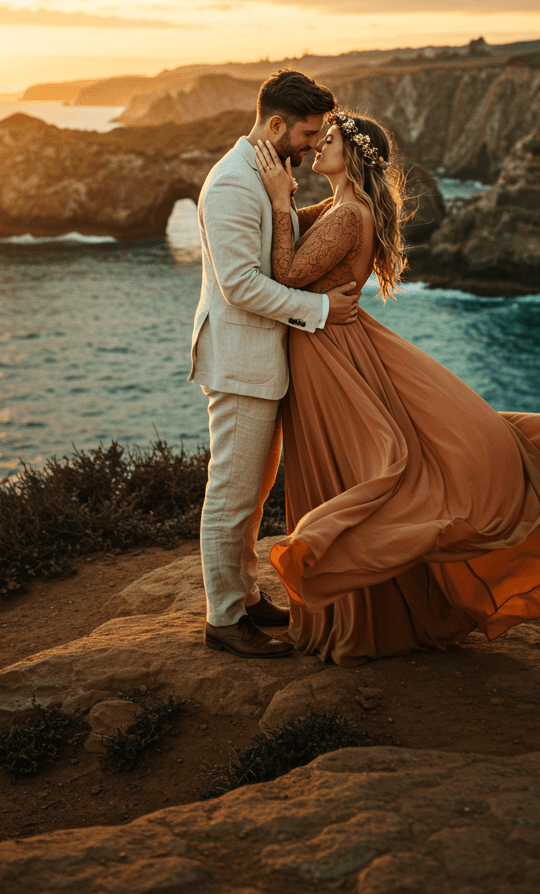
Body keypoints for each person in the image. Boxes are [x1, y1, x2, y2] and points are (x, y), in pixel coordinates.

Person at [254, 111, 540, 666]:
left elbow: (284, 274)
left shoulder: (347, 216)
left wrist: (280, 203)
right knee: (350, 466)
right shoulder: (342, 209)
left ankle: (353, 617)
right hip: (337, 349)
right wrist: (278, 199)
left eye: (326, 140)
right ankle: (360, 615)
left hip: (331, 355)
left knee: (353, 470)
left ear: (351, 156)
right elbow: (297, 241)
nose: (314, 148)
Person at [189, 70, 361, 660]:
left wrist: (298, 201)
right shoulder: (234, 185)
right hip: (240, 362)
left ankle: (244, 595)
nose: (316, 143)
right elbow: (239, 285)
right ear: (276, 124)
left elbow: (281, 245)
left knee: (252, 497)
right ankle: (223, 619)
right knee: (231, 495)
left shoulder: (269, 174)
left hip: (260, 360)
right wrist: (320, 308)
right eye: (310, 132)